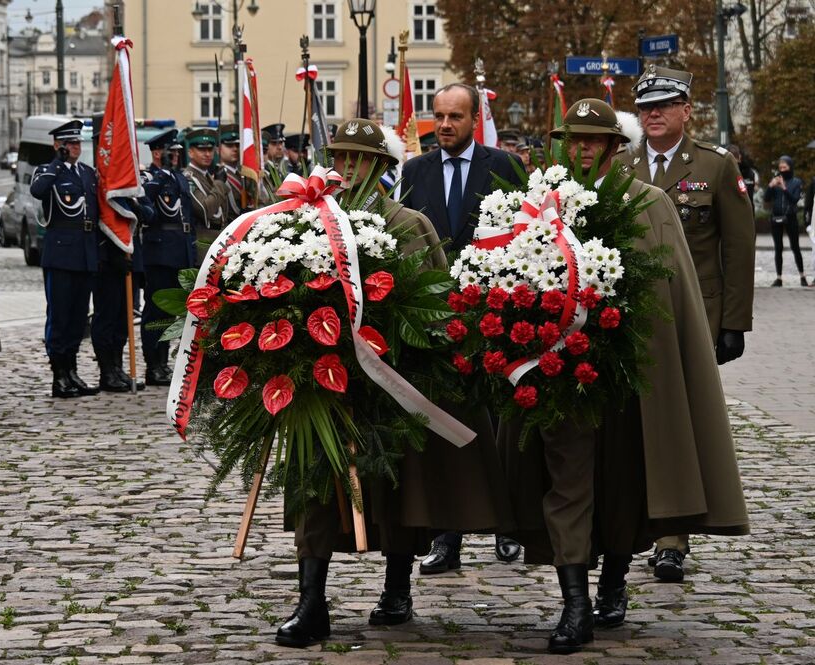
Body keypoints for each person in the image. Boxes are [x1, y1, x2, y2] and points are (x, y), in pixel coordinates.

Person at [502, 98, 750, 654]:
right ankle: (573, 605)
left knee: (621, 485)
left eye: (595, 140)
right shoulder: (545, 203)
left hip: (630, 379)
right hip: (560, 374)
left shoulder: (651, 204)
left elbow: (673, 296)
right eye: (575, 140)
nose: (583, 149)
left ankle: (612, 585)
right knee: (567, 482)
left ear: (617, 147)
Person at [275, 117, 515, 648]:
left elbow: (432, 301)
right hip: (326, 381)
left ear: (381, 168)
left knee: (401, 485)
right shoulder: (305, 221)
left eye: (360, 160)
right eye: (340, 159)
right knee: (315, 484)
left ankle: (396, 587)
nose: (347, 169)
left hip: (393, 382)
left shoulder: (408, 224)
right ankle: (311, 601)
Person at [616, 66, 755, 582]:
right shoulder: (624, 164)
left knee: (681, 425)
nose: (652, 114)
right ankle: (633, 524)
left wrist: (734, 322)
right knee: (633, 423)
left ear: (685, 110)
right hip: (630, 317)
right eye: (646, 106)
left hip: (693, 316)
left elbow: (738, 249)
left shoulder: (716, 166)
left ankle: (672, 539)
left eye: (664, 105)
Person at [401, 82, 525, 574]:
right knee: (445, 425)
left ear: (475, 119)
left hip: (492, 316)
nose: (445, 126)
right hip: (436, 316)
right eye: (439, 117)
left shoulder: (505, 168)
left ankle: (507, 526)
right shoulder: (415, 170)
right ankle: (446, 538)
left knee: (498, 424)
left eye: (455, 117)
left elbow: (526, 236)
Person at [30, 120, 100, 398]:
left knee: (78, 317)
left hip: (84, 252)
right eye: (69, 144)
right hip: (60, 253)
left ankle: (72, 370)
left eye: (77, 143)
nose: (75, 148)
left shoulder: (86, 173)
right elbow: (38, 191)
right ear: (57, 146)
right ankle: (58, 375)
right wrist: (58, 163)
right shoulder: (48, 171)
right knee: (59, 316)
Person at [89, 113, 143, 394]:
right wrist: (111, 254)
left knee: (124, 316)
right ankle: (106, 370)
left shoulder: (122, 178)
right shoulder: (95, 179)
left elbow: (140, 212)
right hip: (105, 258)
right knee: (106, 316)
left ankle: (119, 367)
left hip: (126, 256)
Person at [140, 129, 196, 386]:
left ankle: (164, 363)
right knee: (155, 311)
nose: (174, 157)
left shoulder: (178, 177)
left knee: (173, 312)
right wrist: (159, 175)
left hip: (180, 250)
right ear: (156, 153)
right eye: (169, 153)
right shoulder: (150, 177)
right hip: (159, 252)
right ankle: (153, 364)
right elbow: (146, 207)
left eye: (176, 153)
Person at [183, 128, 229, 261]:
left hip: (217, 243)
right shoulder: (189, 177)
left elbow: (223, 213)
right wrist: (220, 183)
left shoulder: (207, 176)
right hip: (202, 245)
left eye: (210, 150)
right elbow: (204, 210)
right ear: (190, 152)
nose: (208, 154)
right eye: (202, 150)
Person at [763, 155, 807, 287]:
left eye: (785, 167)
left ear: (790, 167)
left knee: (795, 247)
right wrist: (771, 186)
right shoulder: (775, 181)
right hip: (776, 217)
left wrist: (784, 188)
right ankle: (779, 278)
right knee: (778, 248)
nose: (782, 170)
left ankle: (802, 275)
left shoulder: (796, 182)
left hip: (790, 217)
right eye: (780, 167)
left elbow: (794, 200)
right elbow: (766, 198)